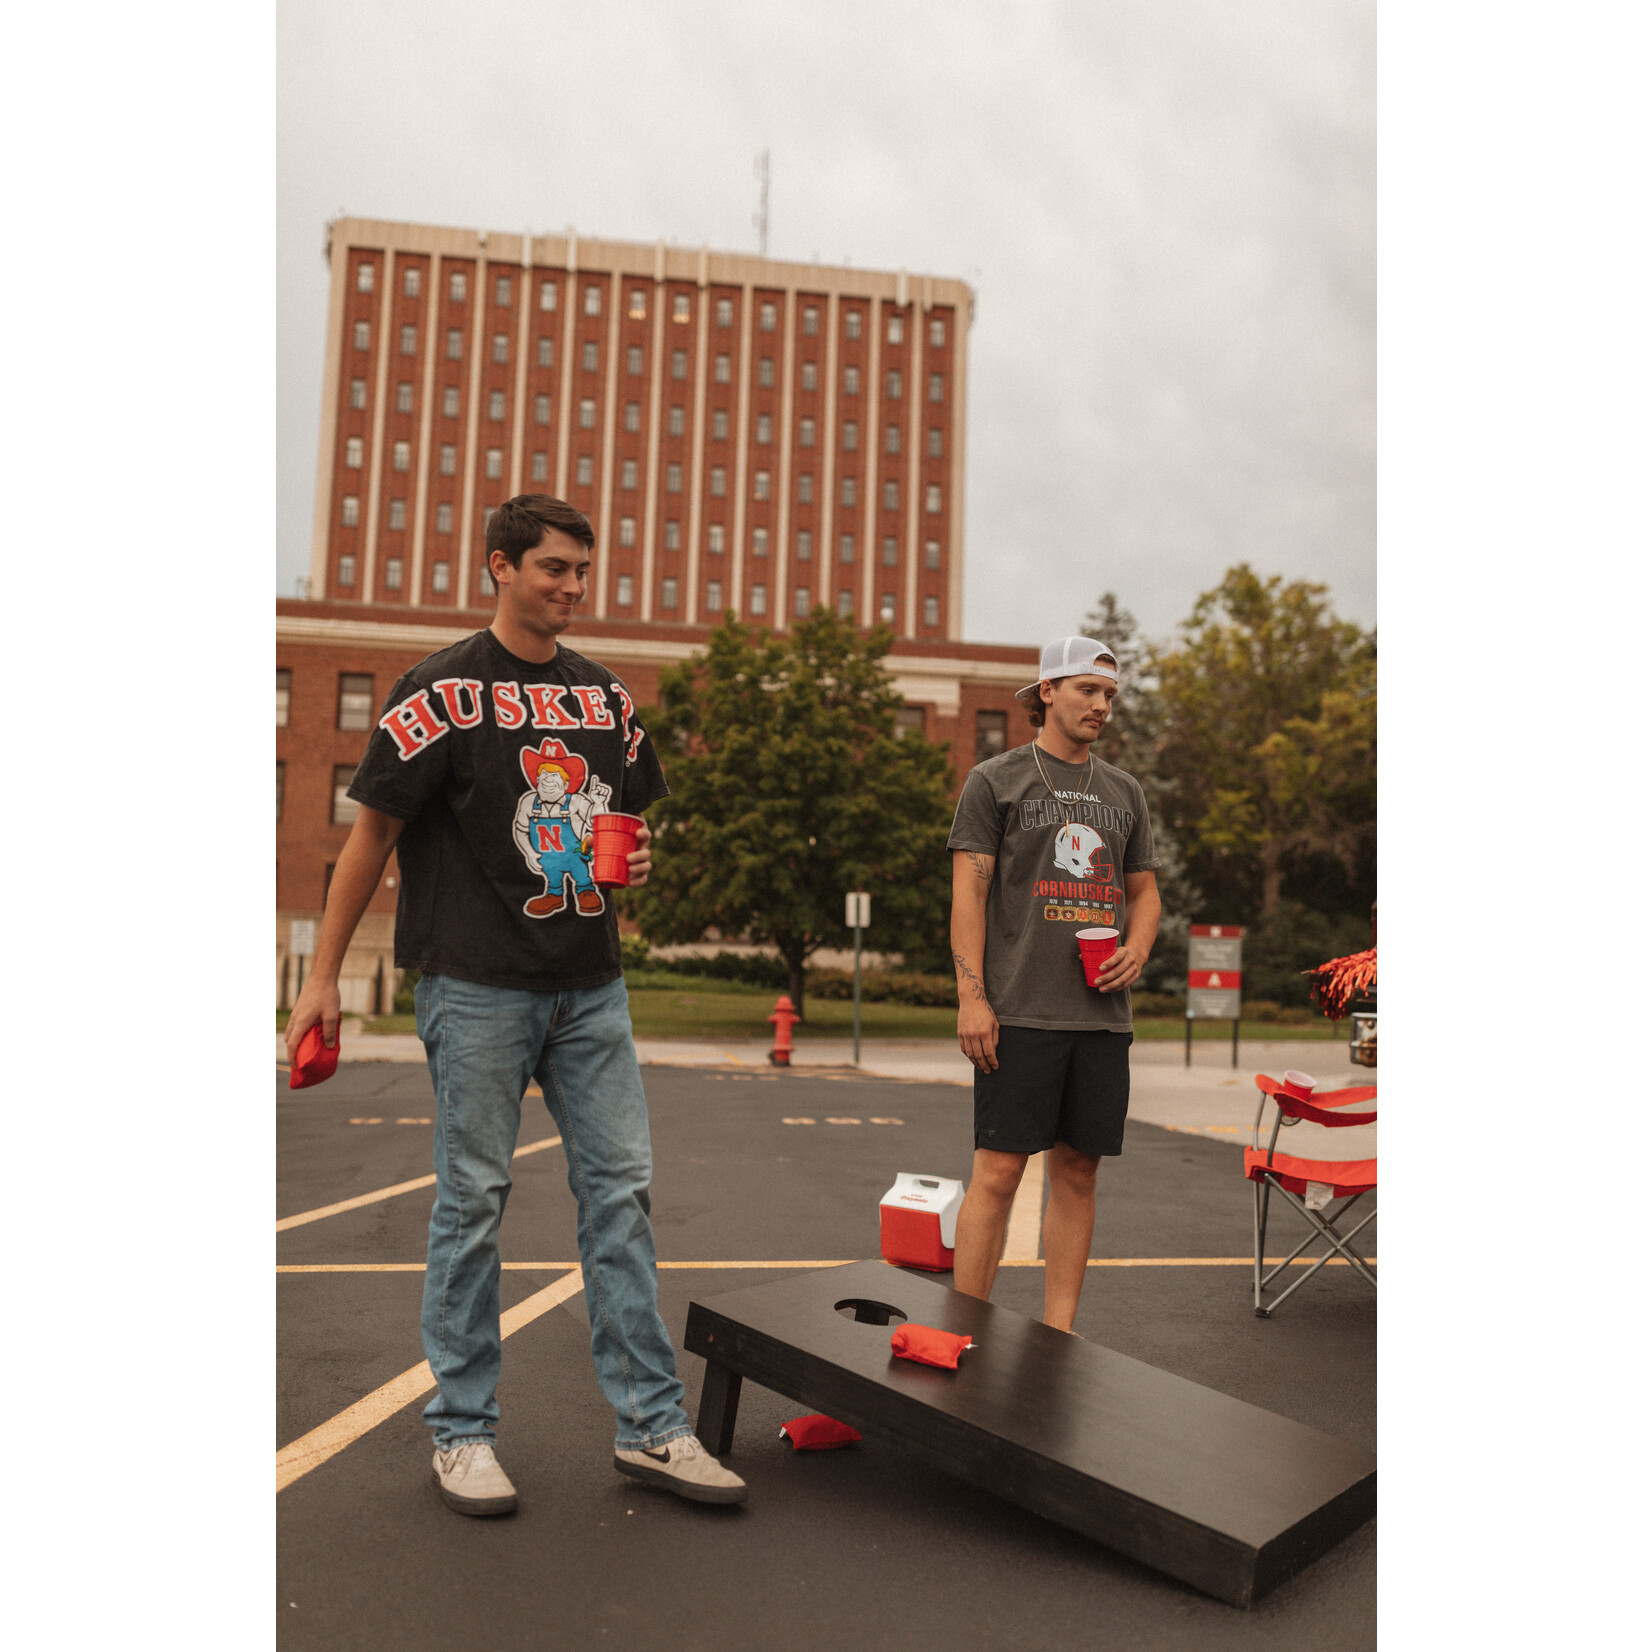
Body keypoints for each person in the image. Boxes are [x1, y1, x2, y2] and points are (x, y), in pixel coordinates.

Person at [284, 494, 745, 1515]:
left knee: (620, 1197)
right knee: (474, 1201)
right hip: (475, 982)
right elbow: (371, 837)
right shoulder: (438, 689)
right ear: (498, 565)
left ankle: (653, 1426)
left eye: (581, 570)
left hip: (589, 985)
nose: (570, 587)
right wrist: (320, 978)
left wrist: (637, 853)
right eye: (551, 568)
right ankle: (461, 1431)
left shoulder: (603, 699)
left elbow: (621, 820)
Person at [945, 635, 1162, 1333]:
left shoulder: (1124, 791)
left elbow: (1147, 892)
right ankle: (963, 1332)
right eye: (1088, 691)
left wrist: (1137, 945)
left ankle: (1059, 1336)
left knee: (1078, 1173)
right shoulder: (995, 781)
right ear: (1047, 692)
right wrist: (972, 997)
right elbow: (968, 896)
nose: (1102, 706)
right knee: (999, 1173)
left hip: (1101, 1017)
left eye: (1110, 696)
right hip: (1019, 1012)